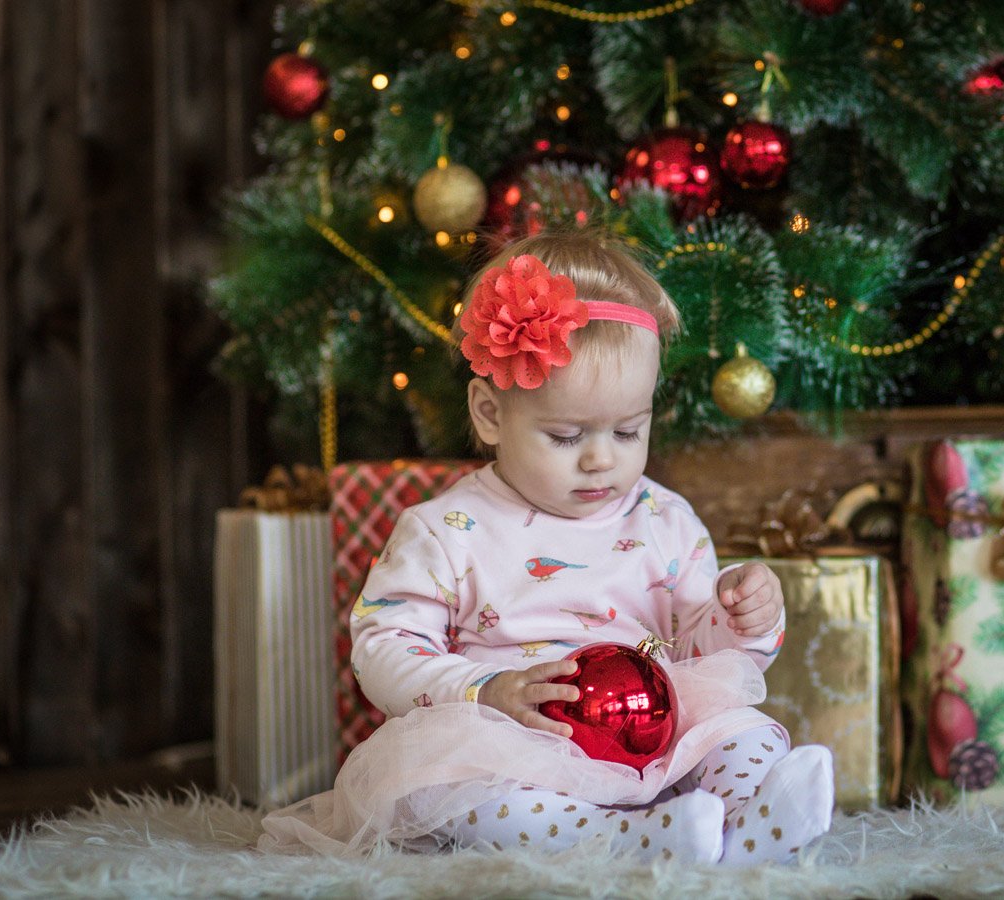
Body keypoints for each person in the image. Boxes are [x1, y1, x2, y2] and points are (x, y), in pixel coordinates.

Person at [260, 232, 834, 864]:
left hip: (654, 736)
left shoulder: (664, 519)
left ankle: (744, 826)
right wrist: (488, 690)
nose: (600, 459)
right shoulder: (446, 529)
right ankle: (624, 842)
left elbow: (703, 651)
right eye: (565, 436)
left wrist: (742, 618)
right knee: (462, 793)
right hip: (515, 745)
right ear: (489, 414)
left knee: (741, 730)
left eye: (627, 430)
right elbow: (383, 648)